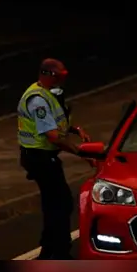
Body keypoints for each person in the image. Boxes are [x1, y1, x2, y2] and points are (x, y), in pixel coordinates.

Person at [17, 58, 91, 259]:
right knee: (60, 203)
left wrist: (75, 130)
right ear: (48, 75)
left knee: (55, 204)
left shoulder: (47, 94)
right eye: (60, 76)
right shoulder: (38, 100)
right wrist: (80, 152)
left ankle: (49, 250)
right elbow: (52, 135)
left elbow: (57, 123)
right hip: (39, 157)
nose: (63, 80)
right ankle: (59, 253)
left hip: (42, 157)